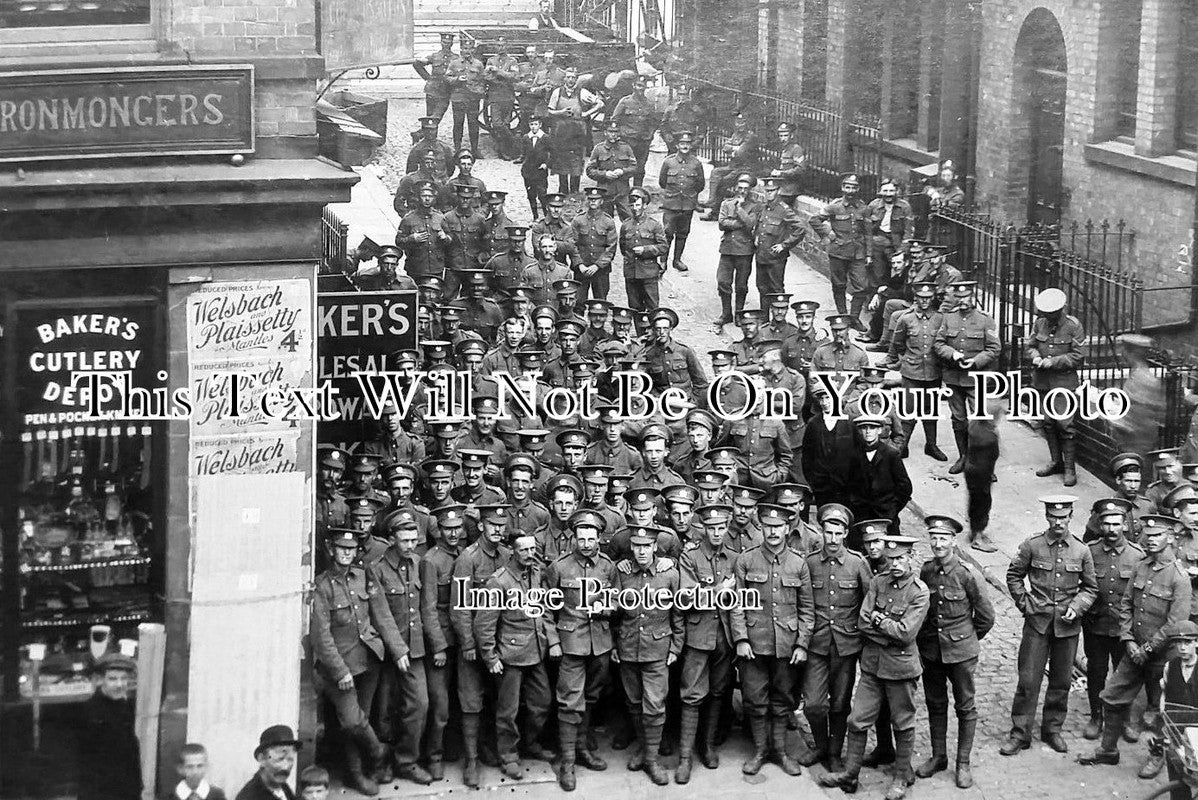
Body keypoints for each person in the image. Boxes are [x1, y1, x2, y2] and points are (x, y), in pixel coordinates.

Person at [818, 535, 929, 799]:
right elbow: (863, 622)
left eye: (900, 558)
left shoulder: (919, 591)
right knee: (857, 720)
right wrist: (884, 627)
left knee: (902, 723)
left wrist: (879, 623)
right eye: (891, 559)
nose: (895, 564)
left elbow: (906, 633)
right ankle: (850, 773)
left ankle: (901, 777)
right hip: (872, 667)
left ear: (911, 557)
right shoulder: (878, 582)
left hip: (901, 669)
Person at [1078, 514, 1190, 768]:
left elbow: (1176, 624)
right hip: (1134, 649)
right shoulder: (1141, 566)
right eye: (1147, 536)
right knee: (1112, 695)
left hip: (1162, 656)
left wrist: (1148, 648)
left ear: (1170, 538)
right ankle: (1108, 750)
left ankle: (1158, 758)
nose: (1150, 541)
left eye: (1157, 536)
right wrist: (1128, 640)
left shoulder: (1179, 578)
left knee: (1165, 710)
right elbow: (1126, 603)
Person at [310, 528, 406, 794]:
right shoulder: (322, 585)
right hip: (340, 667)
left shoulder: (364, 577)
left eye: (350, 550)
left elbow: (382, 615)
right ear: (331, 549)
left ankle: (360, 773)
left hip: (370, 660)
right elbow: (321, 636)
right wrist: (340, 671)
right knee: (352, 722)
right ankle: (378, 755)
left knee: (359, 720)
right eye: (341, 548)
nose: (346, 553)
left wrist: (398, 650)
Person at [1002, 496, 1098, 756]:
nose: (1058, 522)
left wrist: (1076, 607)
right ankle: (1020, 733)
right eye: (1054, 517)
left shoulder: (1081, 550)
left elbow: (1091, 588)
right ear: (1047, 517)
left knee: (1061, 681)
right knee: (1028, 681)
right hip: (1038, 623)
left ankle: (1052, 730)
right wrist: (1025, 604)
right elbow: (1014, 576)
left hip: (1067, 628)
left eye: (1063, 517)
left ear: (1070, 517)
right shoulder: (1033, 545)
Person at [731, 503, 815, 777]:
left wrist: (802, 644)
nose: (773, 532)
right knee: (755, 699)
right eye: (768, 526)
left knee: (782, 699)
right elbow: (736, 604)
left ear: (787, 528)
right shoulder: (746, 560)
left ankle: (779, 751)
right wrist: (741, 639)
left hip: (786, 646)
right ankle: (760, 750)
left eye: (778, 527)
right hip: (754, 644)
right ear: (762, 527)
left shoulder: (798, 563)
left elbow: (807, 609)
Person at [914, 516, 995, 790]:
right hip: (932, 652)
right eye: (934, 538)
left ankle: (963, 763)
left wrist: (967, 639)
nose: (938, 543)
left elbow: (985, 616)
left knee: (965, 706)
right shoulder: (926, 571)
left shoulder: (967, 574)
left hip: (961, 652)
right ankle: (939, 757)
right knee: (935, 703)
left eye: (943, 538)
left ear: (953, 541)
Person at [473, 530, 561, 779]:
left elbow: (543, 609)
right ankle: (509, 755)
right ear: (511, 550)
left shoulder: (536, 572)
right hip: (510, 655)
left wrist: (552, 641)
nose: (529, 554)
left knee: (542, 702)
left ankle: (529, 744)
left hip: (535, 651)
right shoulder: (498, 581)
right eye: (523, 550)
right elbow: (484, 624)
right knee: (507, 711)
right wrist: (491, 657)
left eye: (532, 549)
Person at [543, 513, 618, 791]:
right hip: (571, 643)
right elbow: (546, 609)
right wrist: (553, 641)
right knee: (569, 701)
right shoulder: (559, 567)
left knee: (591, 696)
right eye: (581, 538)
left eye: (591, 538)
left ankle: (583, 749)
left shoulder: (608, 567)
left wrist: (606, 609)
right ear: (574, 537)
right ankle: (568, 763)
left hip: (599, 643)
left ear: (599, 538)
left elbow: (617, 601)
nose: (586, 544)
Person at [802, 503, 872, 771]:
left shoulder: (857, 564)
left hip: (846, 645)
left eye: (837, 533)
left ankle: (833, 752)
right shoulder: (809, 563)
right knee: (814, 703)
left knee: (840, 703)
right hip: (816, 643)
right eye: (827, 533)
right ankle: (820, 744)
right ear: (821, 532)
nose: (832, 539)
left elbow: (868, 602)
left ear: (845, 535)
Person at [611, 527, 684, 785]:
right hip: (628, 647)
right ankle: (644, 749)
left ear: (655, 547)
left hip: (657, 649)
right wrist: (613, 646)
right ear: (631, 547)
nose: (642, 551)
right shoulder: (621, 573)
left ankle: (651, 760)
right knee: (633, 702)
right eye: (637, 546)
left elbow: (678, 613)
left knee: (653, 706)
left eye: (647, 546)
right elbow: (614, 613)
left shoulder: (670, 575)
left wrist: (676, 647)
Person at [934, 280, 1001, 474]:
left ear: (973, 297)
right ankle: (963, 456)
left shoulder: (985, 319)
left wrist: (977, 361)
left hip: (976, 379)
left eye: (966, 297)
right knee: (959, 420)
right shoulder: (948, 318)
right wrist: (953, 354)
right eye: (959, 297)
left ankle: (986, 465)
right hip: (953, 377)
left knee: (982, 422)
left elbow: (994, 348)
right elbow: (938, 344)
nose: (963, 301)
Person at [1028, 287, 1086, 487]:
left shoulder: (1073, 326)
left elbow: (1078, 356)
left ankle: (1070, 468)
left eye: (1051, 313)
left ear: (1060, 310)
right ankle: (1056, 461)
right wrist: (1035, 356)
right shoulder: (1040, 323)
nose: (1048, 317)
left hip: (1063, 384)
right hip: (1043, 383)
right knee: (1048, 422)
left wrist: (1053, 362)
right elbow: (1031, 345)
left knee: (1065, 425)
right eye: (1045, 313)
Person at [78, 653, 142, 800]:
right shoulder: (91, 713)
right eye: (112, 679)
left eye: (124, 678)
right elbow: (90, 765)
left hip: (126, 789)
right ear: (100, 680)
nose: (120, 684)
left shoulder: (124, 707)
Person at [811, 173, 869, 325]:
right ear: (843, 188)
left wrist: (868, 254)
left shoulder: (863, 208)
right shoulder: (834, 206)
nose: (850, 191)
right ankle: (843, 315)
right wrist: (827, 233)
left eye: (854, 188)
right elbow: (814, 219)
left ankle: (854, 318)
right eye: (847, 187)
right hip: (838, 252)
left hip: (858, 253)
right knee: (839, 285)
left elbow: (868, 232)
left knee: (861, 287)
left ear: (858, 189)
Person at [546, 65, 603, 195]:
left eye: (573, 78)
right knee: (561, 161)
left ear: (576, 79)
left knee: (576, 162)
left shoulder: (582, 92)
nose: (571, 80)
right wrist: (561, 112)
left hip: (577, 133)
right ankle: (563, 191)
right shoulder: (557, 92)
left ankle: (575, 192)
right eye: (568, 77)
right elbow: (550, 110)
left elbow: (600, 103)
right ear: (564, 78)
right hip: (561, 132)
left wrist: (586, 113)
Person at [714, 173, 762, 326]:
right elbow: (721, 223)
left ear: (750, 191)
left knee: (741, 285)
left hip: (744, 251)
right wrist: (739, 223)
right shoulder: (726, 203)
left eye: (745, 189)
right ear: (735, 188)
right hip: (727, 248)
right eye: (740, 188)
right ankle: (726, 313)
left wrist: (739, 209)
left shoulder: (755, 206)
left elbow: (750, 224)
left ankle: (739, 314)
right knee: (723, 281)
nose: (742, 191)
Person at [753, 175, 806, 303]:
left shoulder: (784, 210)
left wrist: (785, 245)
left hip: (776, 258)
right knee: (762, 287)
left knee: (776, 289)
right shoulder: (763, 207)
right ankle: (764, 319)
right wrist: (756, 237)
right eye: (767, 191)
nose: (769, 194)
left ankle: (778, 320)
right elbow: (759, 226)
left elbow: (801, 228)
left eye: (772, 191)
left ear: (779, 191)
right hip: (761, 255)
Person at [657, 132, 704, 272]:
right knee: (667, 232)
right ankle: (663, 261)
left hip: (687, 204)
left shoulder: (696, 163)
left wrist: (691, 197)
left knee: (683, 233)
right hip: (671, 204)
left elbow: (700, 184)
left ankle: (677, 260)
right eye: (682, 143)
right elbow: (662, 182)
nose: (685, 146)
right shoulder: (668, 162)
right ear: (677, 145)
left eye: (688, 143)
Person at [619, 187, 668, 311]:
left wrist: (645, 250)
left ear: (645, 205)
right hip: (631, 272)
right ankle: (640, 331)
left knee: (652, 308)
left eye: (638, 205)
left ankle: (653, 330)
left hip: (648, 273)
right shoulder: (626, 225)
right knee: (635, 308)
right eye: (632, 205)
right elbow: (623, 247)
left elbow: (663, 247)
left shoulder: (654, 225)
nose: (635, 208)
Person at [964, 399, 1002, 552]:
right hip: (981, 473)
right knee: (983, 503)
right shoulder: (989, 435)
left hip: (971, 470)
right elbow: (991, 456)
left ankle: (974, 532)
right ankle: (978, 537)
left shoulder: (974, 425)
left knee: (974, 501)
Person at [610, 75, 659, 186]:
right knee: (624, 167)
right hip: (627, 141)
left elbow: (653, 122)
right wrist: (619, 137)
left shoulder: (649, 104)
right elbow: (614, 121)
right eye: (639, 85)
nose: (641, 89)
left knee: (640, 169)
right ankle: (623, 192)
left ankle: (637, 192)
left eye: (643, 86)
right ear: (634, 86)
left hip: (643, 142)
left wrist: (649, 136)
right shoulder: (625, 101)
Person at [586, 119, 638, 220]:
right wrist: (605, 174)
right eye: (610, 132)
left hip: (622, 191)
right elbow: (589, 170)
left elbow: (635, 167)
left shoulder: (626, 148)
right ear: (605, 132)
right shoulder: (598, 149)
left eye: (615, 132)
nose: (613, 135)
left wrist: (623, 171)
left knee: (630, 219)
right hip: (605, 191)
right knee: (604, 221)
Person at [235, 726, 301, 800]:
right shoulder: (250, 796)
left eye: (290, 760)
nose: (285, 767)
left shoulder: (283, 787)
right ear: (262, 759)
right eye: (280, 759)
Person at [446, 39, 485, 156]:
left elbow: (483, 81)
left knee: (473, 124)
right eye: (465, 49)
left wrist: (479, 91)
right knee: (458, 123)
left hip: (473, 99)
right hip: (458, 98)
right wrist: (457, 80)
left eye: (470, 49)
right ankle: (457, 148)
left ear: (473, 50)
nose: (467, 51)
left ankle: (474, 149)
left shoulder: (478, 64)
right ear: (461, 50)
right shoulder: (454, 63)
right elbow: (447, 78)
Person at [484, 38, 520, 160]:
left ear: (507, 46)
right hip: (495, 96)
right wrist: (502, 79)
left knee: (506, 124)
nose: (501, 48)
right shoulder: (491, 60)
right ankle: (513, 144)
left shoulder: (512, 61)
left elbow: (514, 77)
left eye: (503, 45)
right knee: (497, 124)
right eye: (498, 45)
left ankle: (504, 151)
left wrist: (498, 72)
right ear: (496, 47)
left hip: (508, 97)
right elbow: (486, 77)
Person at [412, 33, 455, 124]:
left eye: (448, 42)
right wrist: (428, 78)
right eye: (444, 42)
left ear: (452, 44)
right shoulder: (434, 56)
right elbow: (417, 64)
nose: (446, 44)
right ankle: (430, 138)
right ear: (441, 42)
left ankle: (420, 134)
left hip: (446, 91)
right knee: (430, 116)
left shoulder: (456, 58)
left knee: (437, 116)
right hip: (432, 90)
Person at [520, 116, 553, 217]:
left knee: (542, 195)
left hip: (540, 171)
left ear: (540, 125)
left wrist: (546, 164)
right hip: (528, 172)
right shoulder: (526, 137)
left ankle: (546, 215)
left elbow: (553, 153)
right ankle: (535, 216)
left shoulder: (545, 137)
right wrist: (523, 162)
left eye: (535, 124)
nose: (533, 127)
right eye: (531, 125)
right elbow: (523, 153)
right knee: (531, 195)